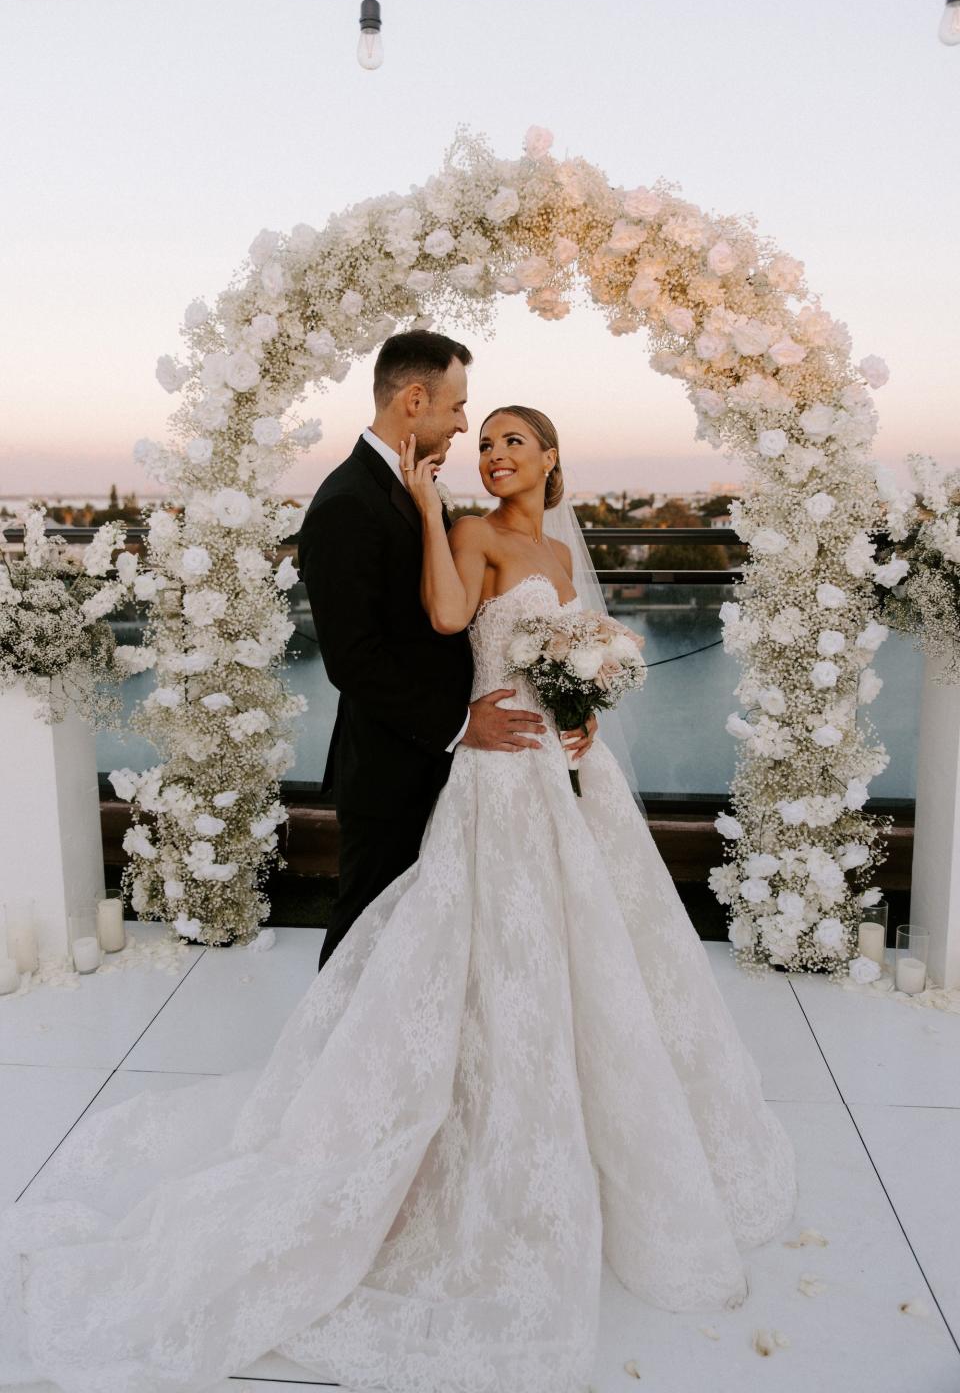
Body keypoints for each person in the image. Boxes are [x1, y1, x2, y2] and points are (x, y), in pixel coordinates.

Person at [0, 404, 798, 1393]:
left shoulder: (557, 545)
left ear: (551, 459)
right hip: (496, 773)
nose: (499, 451)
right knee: (484, 943)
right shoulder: (467, 531)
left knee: (584, 946)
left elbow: (569, 665)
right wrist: (426, 507)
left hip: (555, 765)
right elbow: (457, 620)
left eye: (517, 440)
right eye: (489, 439)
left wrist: (583, 716)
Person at [297, 331, 594, 972]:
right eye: (459, 409)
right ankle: (333, 1068)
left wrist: (571, 695)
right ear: (413, 399)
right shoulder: (346, 503)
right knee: (366, 930)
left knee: (430, 941)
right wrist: (461, 724)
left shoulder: (409, 485)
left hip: (461, 765)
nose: (465, 426)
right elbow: (353, 658)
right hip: (392, 764)